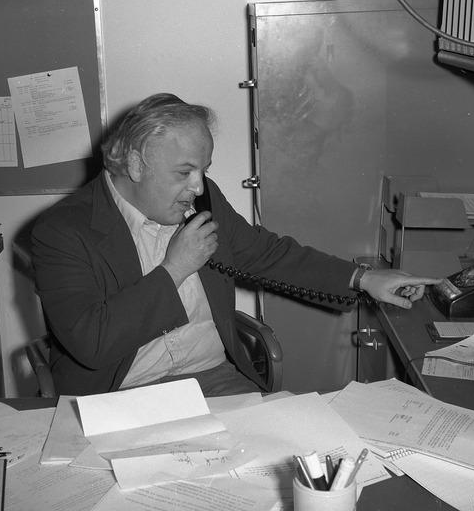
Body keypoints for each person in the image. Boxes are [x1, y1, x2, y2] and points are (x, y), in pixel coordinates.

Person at [31, 93, 440, 397]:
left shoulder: (200, 198)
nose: (198, 187)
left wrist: (363, 277)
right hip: (119, 395)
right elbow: (92, 342)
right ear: (135, 164)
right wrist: (174, 270)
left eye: (203, 170)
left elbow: (267, 254)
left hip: (212, 381)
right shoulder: (63, 231)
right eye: (184, 172)